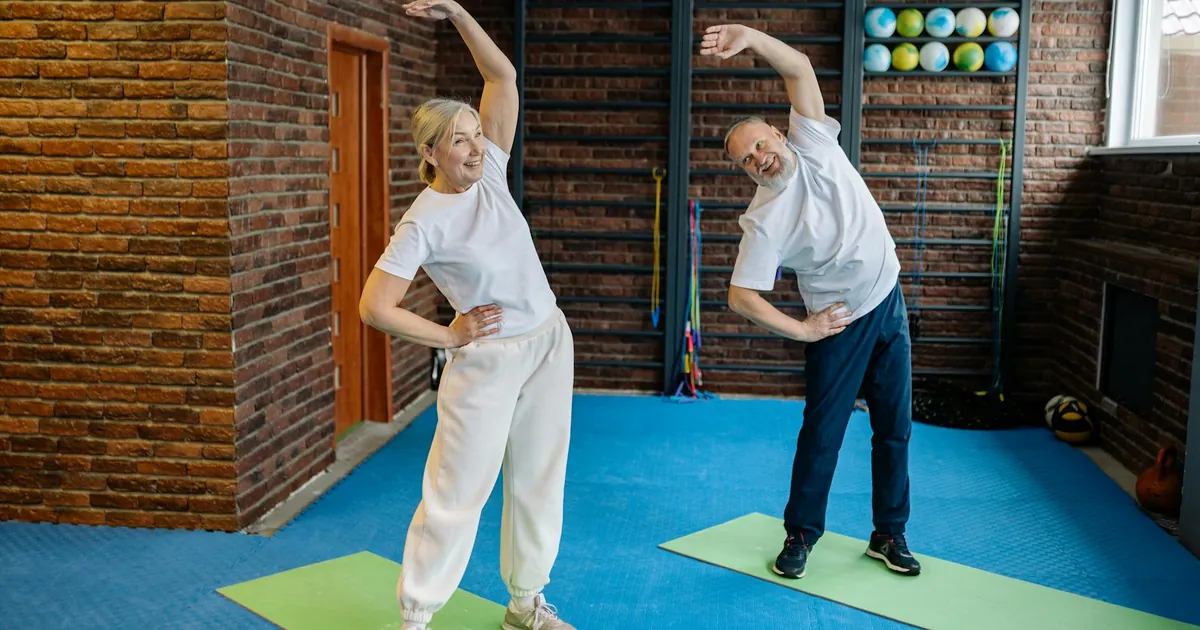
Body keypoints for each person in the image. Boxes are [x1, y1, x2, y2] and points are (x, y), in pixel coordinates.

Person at [358, 2, 576, 629]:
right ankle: (417, 617)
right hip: (486, 358)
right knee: (457, 492)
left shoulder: (493, 175)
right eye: (461, 139)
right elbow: (375, 306)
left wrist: (454, 9)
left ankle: (525, 605)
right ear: (431, 152)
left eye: (478, 134)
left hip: (548, 342)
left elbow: (502, 78)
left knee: (539, 480)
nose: (477, 146)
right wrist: (448, 333)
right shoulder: (423, 220)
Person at [700, 23, 921, 579]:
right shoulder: (763, 219)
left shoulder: (816, 141)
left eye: (759, 143)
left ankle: (889, 534)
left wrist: (749, 36)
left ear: (779, 132)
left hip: (887, 300)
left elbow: (797, 66)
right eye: (746, 159)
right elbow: (740, 296)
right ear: (743, 171)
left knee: (895, 427)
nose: (758, 157)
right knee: (823, 433)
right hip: (839, 324)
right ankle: (800, 535)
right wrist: (804, 330)